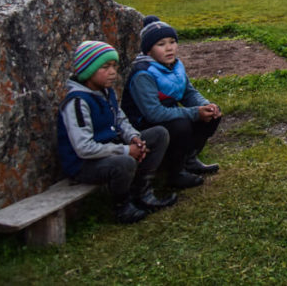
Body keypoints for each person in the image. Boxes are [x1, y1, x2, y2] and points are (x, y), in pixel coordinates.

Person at [57, 41, 177, 224]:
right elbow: (84, 148)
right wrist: (126, 150)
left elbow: (120, 120)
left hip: (111, 149)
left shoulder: (106, 92)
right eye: (105, 67)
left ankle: (143, 191)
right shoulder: (77, 102)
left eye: (114, 66)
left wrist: (134, 138)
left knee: (159, 134)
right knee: (124, 162)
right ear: (88, 71)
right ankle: (122, 206)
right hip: (84, 164)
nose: (113, 72)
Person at [121, 17, 222, 189]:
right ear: (148, 51)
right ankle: (175, 173)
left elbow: (188, 92)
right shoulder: (143, 74)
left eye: (172, 42)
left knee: (212, 114)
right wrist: (194, 112)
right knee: (181, 125)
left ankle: (189, 159)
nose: (169, 48)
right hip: (144, 125)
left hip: (167, 115)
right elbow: (153, 113)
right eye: (161, 44)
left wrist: (206, 105)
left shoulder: (174, 65)